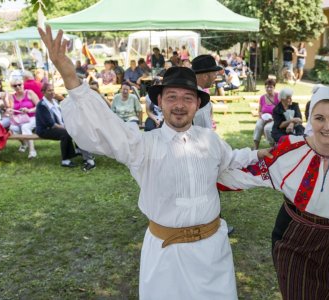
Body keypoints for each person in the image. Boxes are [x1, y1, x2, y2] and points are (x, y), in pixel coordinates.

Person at [39, 24, 271, 299]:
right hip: (166, 258)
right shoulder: (142, 146)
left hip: (213, 255)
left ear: (198, 104)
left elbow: (230, 160)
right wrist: (68, 73)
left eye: (187, 98)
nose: (180, 105)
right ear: (160, 101)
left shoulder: (209, 141)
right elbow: (104, 125)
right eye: (171, 97)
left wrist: (258, 154)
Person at [218, 86, 329, 299]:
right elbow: (247, 174)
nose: (327, 126)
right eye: (319, 118)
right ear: (310, 120)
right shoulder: (291, 151)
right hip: (296, 240)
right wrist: (204, 176)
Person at [35, 83, 96, 170]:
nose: (52, 92)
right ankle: (65, 160)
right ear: (43, 92)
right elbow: (51, 124)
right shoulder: (42, 105)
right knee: (65, 133)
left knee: (78, 129)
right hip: (45, 130)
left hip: (57, 126)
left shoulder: (54, 101)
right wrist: (67, 128)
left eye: (52, 90)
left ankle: (82, 153)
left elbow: (62, 116)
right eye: (49, 90)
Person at [8, 78, 40, 159]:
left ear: (23, 85)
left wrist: (29, 110)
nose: (18, 87)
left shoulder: (29, 93)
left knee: (25, 127)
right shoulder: (12, 97)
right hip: (19, 118)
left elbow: (39, 106)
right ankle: (24, 143)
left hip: (32, 117)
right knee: (13, 128)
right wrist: (10, 111)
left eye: (19, 84)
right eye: (15, 86)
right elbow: (11, 109)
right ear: (12, 87)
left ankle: (32, 151)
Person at [191, 54, 222, 129]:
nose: (216, 76)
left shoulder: (189, 92)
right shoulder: (201, 99)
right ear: (205, 76)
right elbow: (205, 133)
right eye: (214, 73)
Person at [253, 79, 279, 149]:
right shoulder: (262, 97)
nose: (269, 89)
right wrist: (261, 115)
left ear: (274, 87)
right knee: (258, 126)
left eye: (271, 87)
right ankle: (255, 147)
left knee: (267, 128)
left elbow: (280, 111)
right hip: (263, 118)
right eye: (267, 87)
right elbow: (260, 111)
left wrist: (272, 118)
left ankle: (272, 146)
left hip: (274, 118)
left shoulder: (278, 96)